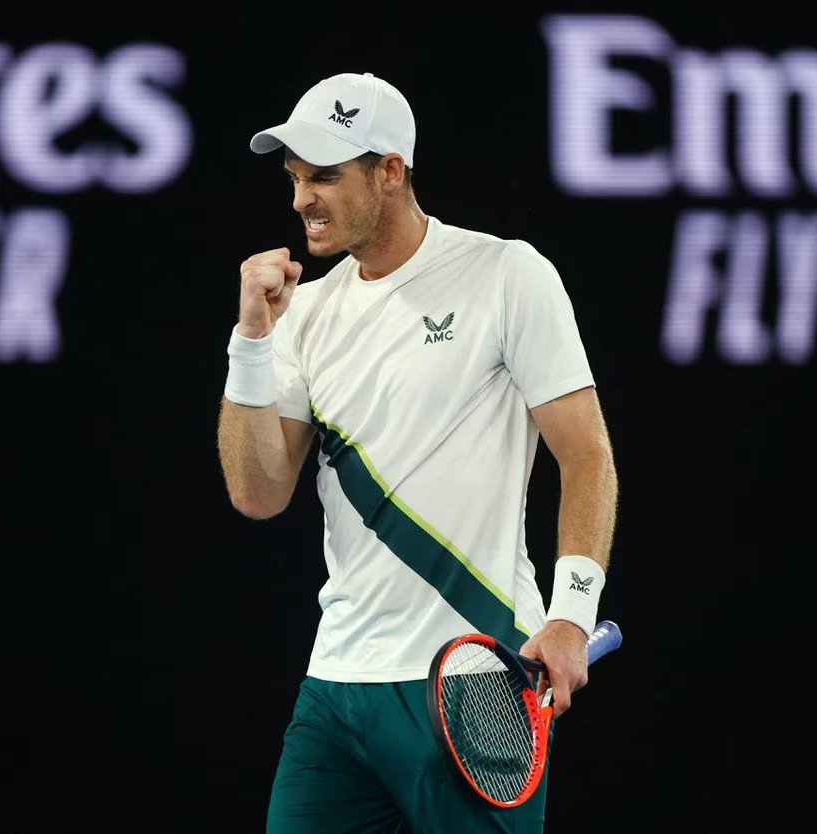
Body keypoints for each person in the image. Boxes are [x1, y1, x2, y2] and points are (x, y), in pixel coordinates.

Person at [216, 70, 619, 833]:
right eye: (296, 178)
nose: (302, 197)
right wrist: (252, 340)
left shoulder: (507, 275)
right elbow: (257, 492)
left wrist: (570, 615)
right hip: (337, 687)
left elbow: (588, 457)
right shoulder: (307, 316)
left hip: (474, 677)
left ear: (390, 171)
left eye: (325, 176)